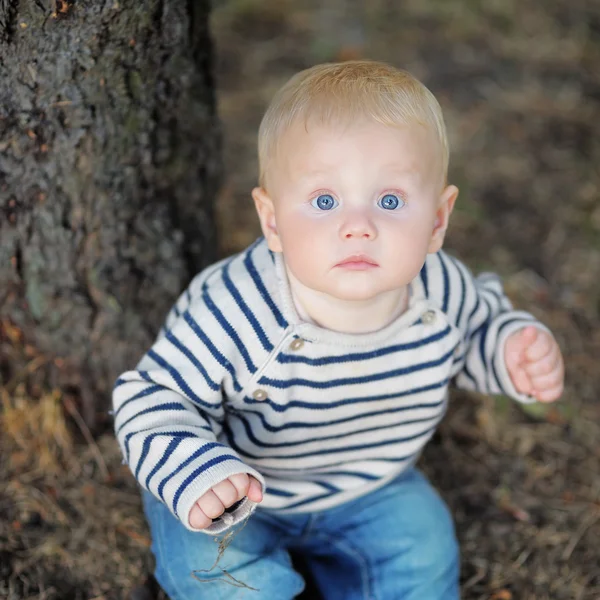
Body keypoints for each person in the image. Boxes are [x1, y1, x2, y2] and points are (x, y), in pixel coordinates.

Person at [112, 60, 565, 599]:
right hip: (233, 496)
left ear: (438, 221)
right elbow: (152, 398)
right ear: (273, 220)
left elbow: (476, 333)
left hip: (371, 487)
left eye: (390, 200)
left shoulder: (440, 291)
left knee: (423, 552)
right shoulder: (235, 310)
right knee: (215, 575)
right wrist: (196, 472)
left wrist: (511, 349)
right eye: (324, 201)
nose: (358, 226)